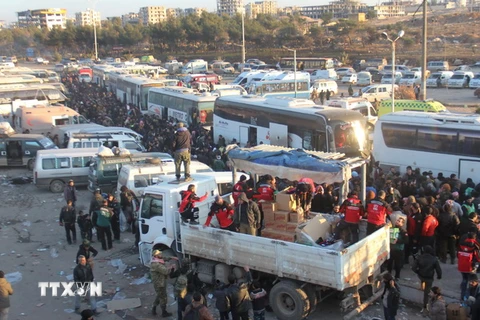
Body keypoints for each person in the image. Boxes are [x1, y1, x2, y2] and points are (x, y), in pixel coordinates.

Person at [411, 245, 442, 313]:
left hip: (421, 275)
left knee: (422, 280)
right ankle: (425, 307)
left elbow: (413, 267)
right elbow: (438, 269)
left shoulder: (419, 257)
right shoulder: (434, 259)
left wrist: (418, 272)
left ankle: (422, 286)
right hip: (429, 277)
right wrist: (439, 276)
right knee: (426, 293)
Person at [458, 229, 480, 300]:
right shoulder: (474, 246)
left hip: (461, 266)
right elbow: (478, 258)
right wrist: (475, 267)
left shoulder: (462, 244)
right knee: (472, 282)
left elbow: (458, 255)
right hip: (470, 267)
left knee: (464, 280)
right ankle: (470, 297)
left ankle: (462, 296)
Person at [151, 250, 173, 317]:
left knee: (159, 295)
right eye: (159, 254)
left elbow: (164, 258)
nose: (161, 255)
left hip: (159, 282)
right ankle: (164, 312)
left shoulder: (156, 260)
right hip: (160, 283)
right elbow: (166, 271)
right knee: (163, 297)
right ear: (156, 256)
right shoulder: (156, 264)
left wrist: (172, 257)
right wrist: (171, 267)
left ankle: (153, 308)